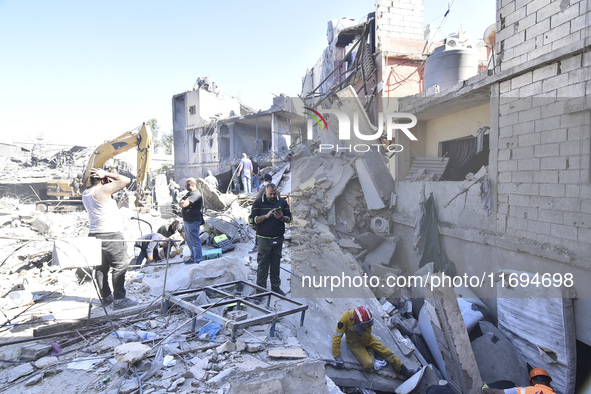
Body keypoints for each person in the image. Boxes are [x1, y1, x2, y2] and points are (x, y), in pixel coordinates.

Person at [82, 168, 137, 309]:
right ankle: (119, 299)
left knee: (101, 268)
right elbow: (126, 180)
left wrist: (105, 177)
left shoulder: (86, 192)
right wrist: (106, 173)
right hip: (110, 234)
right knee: (120, 266)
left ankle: (106, 297)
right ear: (103, 180)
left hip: (94, 234)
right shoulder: (102, 191)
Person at [332, 306, 415, 379]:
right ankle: (371, 352)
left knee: (387, 353)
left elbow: (368, 331)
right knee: (368, 364)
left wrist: (362, 332)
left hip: (368, 339)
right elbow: (337, 337)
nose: (368, 326)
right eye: (366, 325)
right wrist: (337, 357)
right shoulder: (346, 317)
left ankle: (404, 371)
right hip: (355, 344)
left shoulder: (366, 321)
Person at [248, 183, 291, 295]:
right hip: (264, 239)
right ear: (265, 192)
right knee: (262, 265)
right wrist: (265, 217)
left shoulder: (282, 202)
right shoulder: (258, 202)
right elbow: (252, 220)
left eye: (274, 193)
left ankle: (275, 287)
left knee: (276, 264)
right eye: (270, 194)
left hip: (278, 238)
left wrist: (282, 217)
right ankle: (260, 291)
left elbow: (290, 218)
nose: (272, 196)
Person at [179, 177, 203, 264]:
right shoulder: (189, 194)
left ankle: (198, 259)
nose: (185, 186)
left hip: (193, 221)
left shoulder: (195, 194)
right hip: (187, 221)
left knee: (195, 241)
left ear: (191, 184)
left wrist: (182, 203)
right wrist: (181, 203)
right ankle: (193, 257)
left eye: (186, 185)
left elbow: (184, 204)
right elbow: (180, 202)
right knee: (189, 241)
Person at [482, 368, 555, 394]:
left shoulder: (525, 390)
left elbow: (496, 392)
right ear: (549, 383)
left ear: (533, 381)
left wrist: (484, 389)